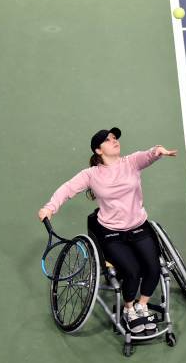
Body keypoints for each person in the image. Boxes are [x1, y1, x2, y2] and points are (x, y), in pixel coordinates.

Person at [37, 127, 177, 333]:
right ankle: (129, 309)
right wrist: (50, 207)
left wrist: (158, 151)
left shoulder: (131, 162)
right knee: (132, 272)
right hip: (111, 233)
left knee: (153, 267)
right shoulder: (91, 175)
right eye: (108, 140)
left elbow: (148, 154)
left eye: (114, 138)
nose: (114, 141)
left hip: (139, 227)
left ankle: (142, 305)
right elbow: (67, 188)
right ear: (98, 150)